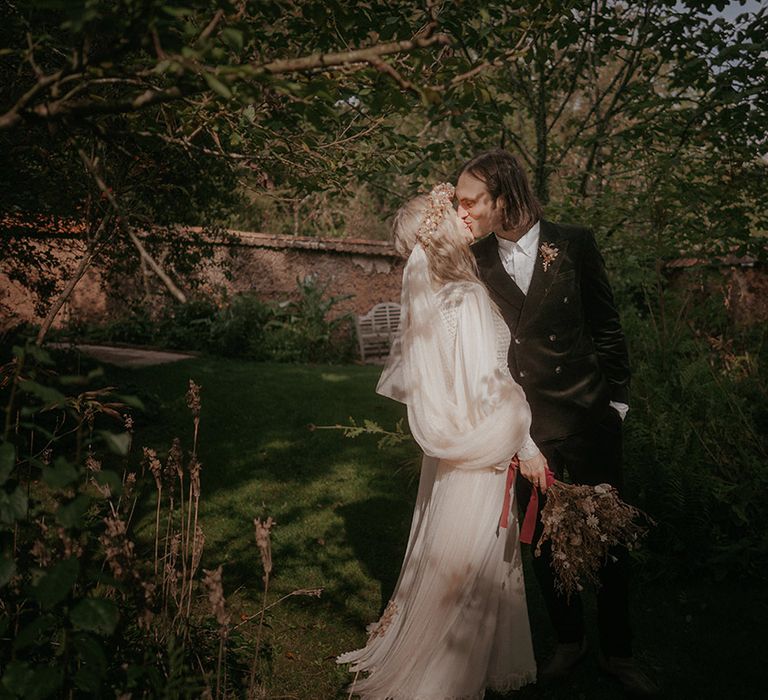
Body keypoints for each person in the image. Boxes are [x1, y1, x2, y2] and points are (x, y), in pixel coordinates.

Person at [456, 149, 658, 696]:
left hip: (590, 417)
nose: (463, 209)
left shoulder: (573, 242)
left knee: (611, 539)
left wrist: (617, 404)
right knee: (543, 540)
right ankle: (570, 642)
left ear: (504, 196)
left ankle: (619, 651)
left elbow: (607, 326)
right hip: (526, 430)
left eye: (472, 199)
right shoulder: (474, 259)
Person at [337, 183, 539, 698]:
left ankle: (471, 658)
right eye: (456, 213)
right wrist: (527, 446)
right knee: (470, 564)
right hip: (481, 452)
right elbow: (486, 389)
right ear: (444, 233)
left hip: (457, 455)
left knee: (456, 556)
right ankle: (446, 674)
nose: (465, 217)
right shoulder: (466, 296)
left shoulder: (441, 299)